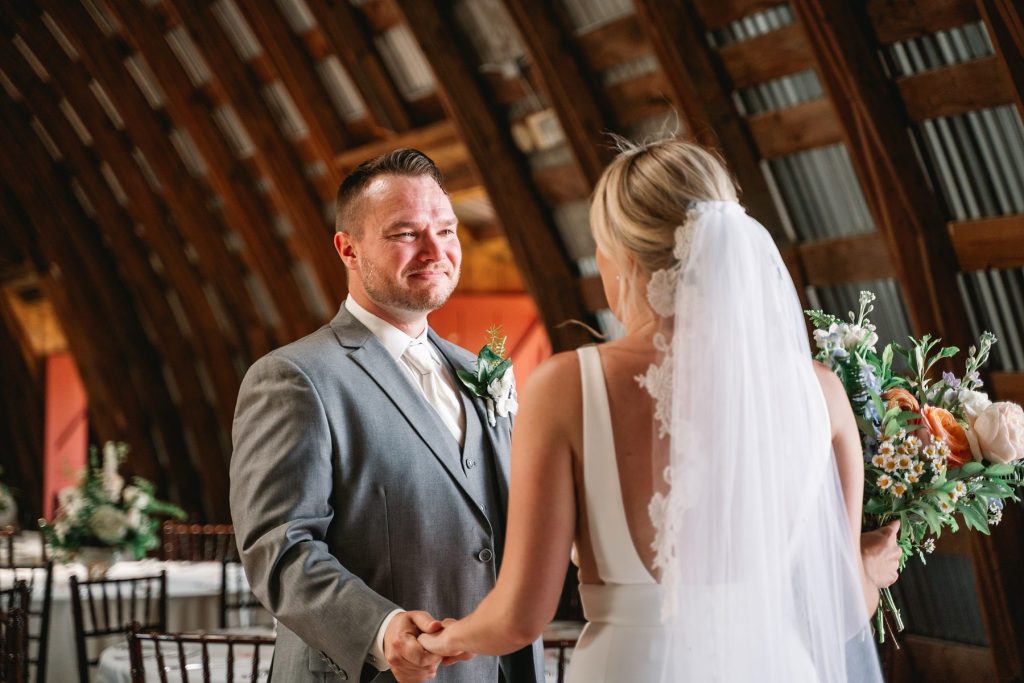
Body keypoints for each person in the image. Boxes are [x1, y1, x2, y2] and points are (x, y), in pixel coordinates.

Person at [418, 138, 901, 681]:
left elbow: (520, 617)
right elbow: (841, 612)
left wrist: (444, 638)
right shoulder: (823, 392)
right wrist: (872, 568)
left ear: (621, 257)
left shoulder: (569, 386)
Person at [230, 148, 543, 683]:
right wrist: (382, 629)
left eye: (445, 230)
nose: (434, 250)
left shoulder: (482, 371)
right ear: (347, 249)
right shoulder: (294, 378)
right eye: (405, 234)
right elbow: (278, 549)